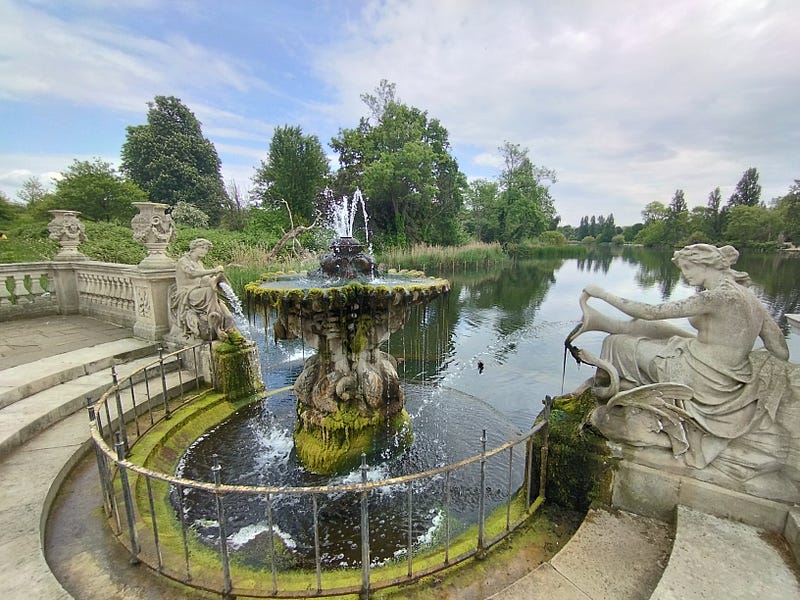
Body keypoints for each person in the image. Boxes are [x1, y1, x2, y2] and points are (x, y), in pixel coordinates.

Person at [567, 243, 792, 477]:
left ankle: (609, 393)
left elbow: (650, 311)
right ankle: (617, 390)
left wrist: (601, 293)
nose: (685, 274)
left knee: (616, 344)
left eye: (687, 267)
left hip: (701, 374)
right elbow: (781, 350)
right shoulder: (751, 298)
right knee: (659, 336)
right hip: (727, 372)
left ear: (705, 264)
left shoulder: (718, 296)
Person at [171, 238, 236, 341]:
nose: (204, 251)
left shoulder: (199, 263)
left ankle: (228, 326)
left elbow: (202, 278)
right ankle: (215, 320)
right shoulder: (183, 261)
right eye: (202, 248)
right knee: (209, 291)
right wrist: (213, 270)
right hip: (186, 292)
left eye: (206, 249)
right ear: (193, 248)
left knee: (216, 294)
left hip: (198, 290)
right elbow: (192, 274)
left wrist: (216, 275)